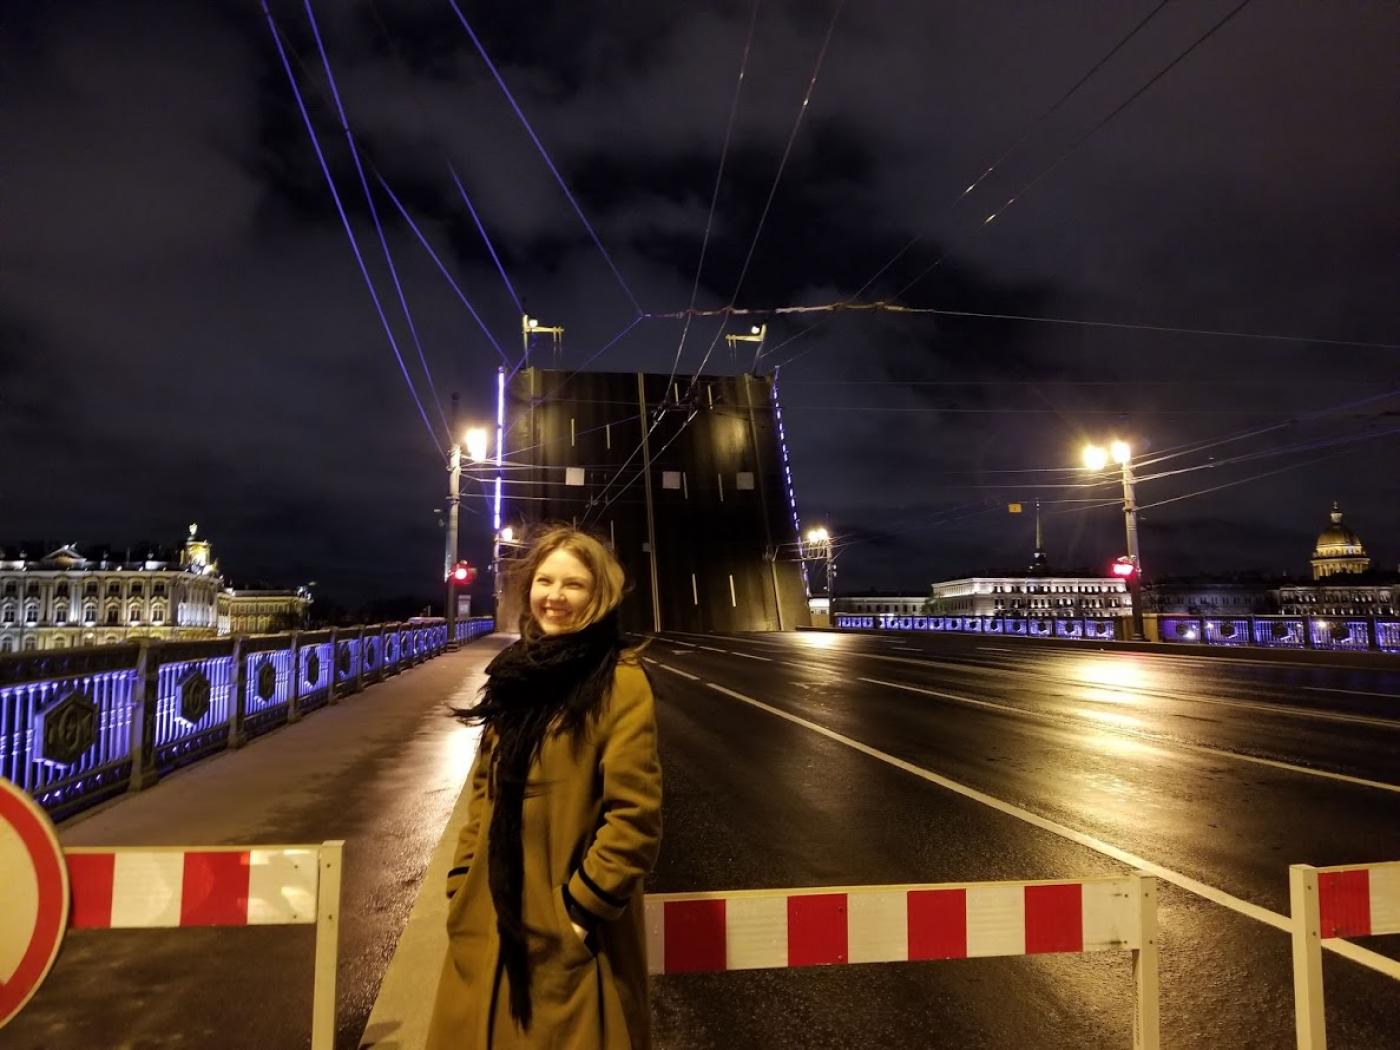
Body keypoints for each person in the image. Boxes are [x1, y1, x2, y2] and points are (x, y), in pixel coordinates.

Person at [426, 526, 663, 1050]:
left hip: (564, 940)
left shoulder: (618, 680)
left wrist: (577, 914)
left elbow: (635, 819)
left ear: (597, 594)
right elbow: (486, 792)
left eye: (573, 585)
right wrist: (463, 878)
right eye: (545, 581)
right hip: (486, 920)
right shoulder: (515, 676)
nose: (554, 597)